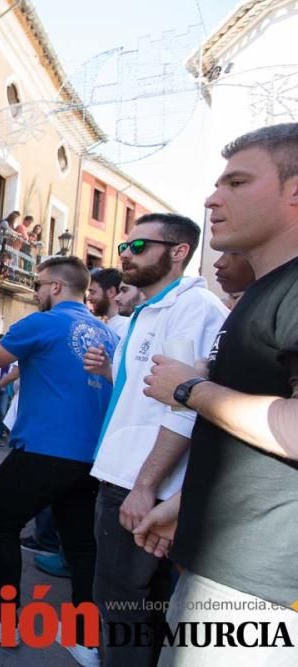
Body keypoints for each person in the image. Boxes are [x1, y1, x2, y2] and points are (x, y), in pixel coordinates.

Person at [140, 123, 298, 666]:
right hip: (227, 573)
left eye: (236, 182)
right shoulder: (266, 292)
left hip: (259, 594)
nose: (212, 198)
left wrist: (189, 388)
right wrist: (187, 506)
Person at [84, 213, 228, 667]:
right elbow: (147, 395)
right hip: (128, 475)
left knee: (126, 607)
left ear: (179, 252)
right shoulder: (149, 310)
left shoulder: (192, 309)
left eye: (139, 246)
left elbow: (185, 406)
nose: (125, 254)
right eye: (124, 247)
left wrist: (146, 487)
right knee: (125, 604)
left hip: (143, 485)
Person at [0, 256, 116, 667]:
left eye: (38, 285)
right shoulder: (108, 333)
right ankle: (86, 641)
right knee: (82, 546)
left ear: (54, 287)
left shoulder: (42, 323)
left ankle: (3, 619)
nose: (35, 292)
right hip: (92, 460)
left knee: (0, 523)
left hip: (44, 451)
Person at [86, 267, 130, 339]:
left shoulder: (124, 326)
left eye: (93, 292)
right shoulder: (111, 324)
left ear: (111, 292)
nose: (88, 298)